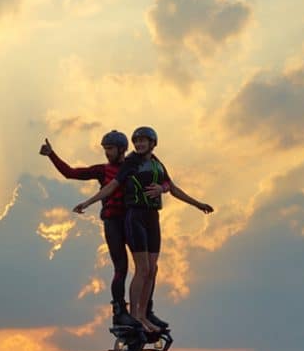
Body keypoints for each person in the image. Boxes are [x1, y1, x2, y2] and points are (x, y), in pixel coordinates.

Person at [73, 126, 213, 332]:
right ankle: (136, 316)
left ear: (152, 143)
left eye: (142, 141)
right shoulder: (130, 162)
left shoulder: (157, 163)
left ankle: (144, 313)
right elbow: (111, 186)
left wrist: (198, 204)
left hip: (152, 218)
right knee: (143, 269)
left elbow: (172, 187)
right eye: (136, 141)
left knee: (153, 269)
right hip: (135, 217)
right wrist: (87, 203)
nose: (138, 144)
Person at [40, 131, 139, 327]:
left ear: (121, 149)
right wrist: (52, 154)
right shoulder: (102, 170)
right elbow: (71, 173)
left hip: (133, 221)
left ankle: (144, 311)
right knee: (121, 268)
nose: (107, 153)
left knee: (145, 268)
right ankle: (119, 311)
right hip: (113, 223)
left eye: (110, 149)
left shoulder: (134, 166)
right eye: (105, 149)